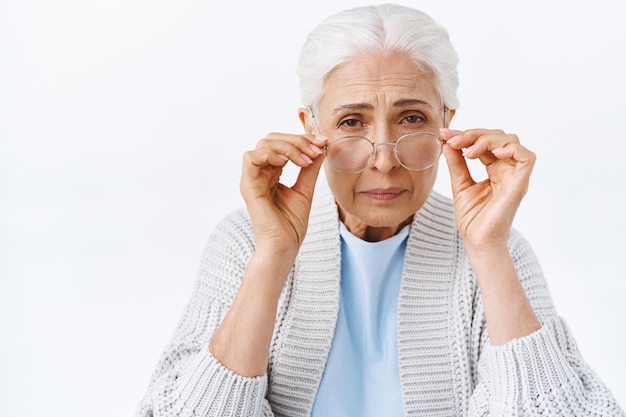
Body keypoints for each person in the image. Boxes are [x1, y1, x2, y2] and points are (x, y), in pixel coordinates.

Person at [137, 4, 624, 416]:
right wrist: (273, 255)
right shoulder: (246, 240)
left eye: (412, 118)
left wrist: (489, 251)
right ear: (312, 128)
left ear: (446, 125)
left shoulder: (497, 249)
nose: (385, 159)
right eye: (352, 121)